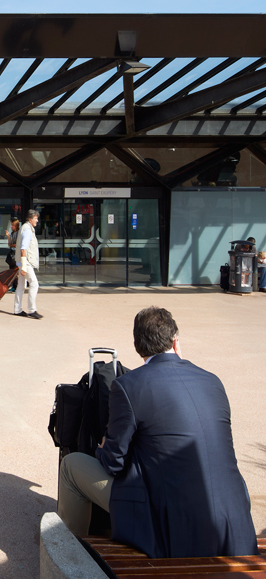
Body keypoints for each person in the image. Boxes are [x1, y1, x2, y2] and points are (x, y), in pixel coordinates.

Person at [57, 306, 258, 558]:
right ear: (176, 342)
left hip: (171, 525)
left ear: (139, 348)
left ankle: (70, 564)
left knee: (72, 466)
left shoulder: (128, 386)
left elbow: (114, 462)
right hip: (233, 519)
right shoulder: (212, 380)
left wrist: (102, 447)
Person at [13, 210, 41, 319]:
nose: (37, 220)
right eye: (36, 218)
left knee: (21, 286)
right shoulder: (28, 230)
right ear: (30, 219)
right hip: (26, 262)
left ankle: (17, 309)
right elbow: (23, 249)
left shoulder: (25, 228)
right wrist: (24, 266)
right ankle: (32, 309)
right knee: (34, 283)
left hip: (22, 261)